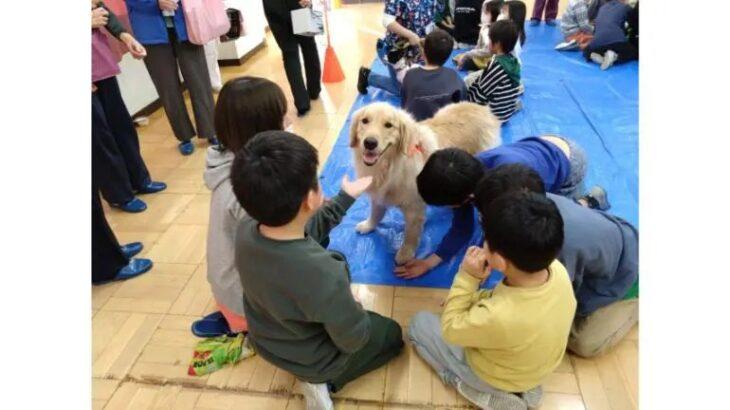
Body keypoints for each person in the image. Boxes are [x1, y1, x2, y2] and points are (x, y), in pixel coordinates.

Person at [231, 131, 404, 408]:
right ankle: (320, 383)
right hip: (315, 359)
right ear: (310, 200)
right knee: (392, 334)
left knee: (324, 250)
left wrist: (345, 197)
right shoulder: (323, 273)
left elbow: (307, 228)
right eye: (318, 182)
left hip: (267, 337)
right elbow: (354, 338)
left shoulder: (246, 230)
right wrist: (354, 306)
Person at [408, 191, 577, 409]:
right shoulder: (557, 271)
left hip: (492, 375)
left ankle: (472, 388)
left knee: (418, 324)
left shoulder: (498, 316)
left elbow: (451, 329)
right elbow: (504, 297)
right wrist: (475, 298)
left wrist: (467, 278)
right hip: (536, 368)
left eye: (486, 240)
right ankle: (527, 387)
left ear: (498, 260)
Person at [473, 164, 639, 358]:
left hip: (626, 273)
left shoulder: (557, 253)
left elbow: (551, 300)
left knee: (583, 343)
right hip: (606, 239)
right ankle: (589, 202)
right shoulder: (539, 206)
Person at [396, 136, 609, 279]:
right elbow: (463, 227)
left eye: (450, 204)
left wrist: (479, 268)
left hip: (569, 162)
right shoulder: (463, 175)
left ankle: (588, 202)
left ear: (466, 198)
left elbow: (492, 233)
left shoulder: (515, 191)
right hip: (542, 144)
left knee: (550, 217)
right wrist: (429, 262)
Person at [190, 77, 290, 337]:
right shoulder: (250, 189)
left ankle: (234, 318)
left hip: (226, 287)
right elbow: (284, 248)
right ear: (264, 128)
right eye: (281, 117)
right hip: (243, 302)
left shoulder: (225, 158)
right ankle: (243, 327)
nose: (288, 122)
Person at [92, 1, 166, 213]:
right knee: (99, 138)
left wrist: (125, 35)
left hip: (99, 63)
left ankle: (138, 179)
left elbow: (99, 9)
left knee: (121, 125)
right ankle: (119, 195)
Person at [126, 0, 218, 156]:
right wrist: (155, 3)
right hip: (150, 30)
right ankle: (184, 137)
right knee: (168, 89)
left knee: (200, 82)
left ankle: (211, 130)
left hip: (188, 26)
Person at [357, 0, 444, 96]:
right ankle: (367, 77)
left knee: (422, 81)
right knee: (401, 90)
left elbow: (436, 13)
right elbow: (387, 21)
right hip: (398, 51)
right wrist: (410, 35)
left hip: (421, 48)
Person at [262, 0, 321, 117]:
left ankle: (302, 103)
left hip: (273, 5)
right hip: (297, 3)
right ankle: (314, 90)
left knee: (289, 54)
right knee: (309, 46)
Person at [401, 30, 467, 121]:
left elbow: (404, 105)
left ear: (423, 53)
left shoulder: (410, 75)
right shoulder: (455, 77)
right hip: (443, 128)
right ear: (447, 56)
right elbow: (462, 109)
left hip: (415, 128)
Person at [466, 20, 522, 122]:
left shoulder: (496, 65)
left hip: (493, 118)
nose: (488, 44)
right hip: (507, 112)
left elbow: (480, 95)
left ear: (497, 44)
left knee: (467, 82)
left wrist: (466, 99)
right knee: (475, 79)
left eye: (490, 40)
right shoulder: (513, 61)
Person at [583, 0, 636, 70]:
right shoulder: (626, 7)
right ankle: (615, 57)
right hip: (616, 41)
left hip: (596, 43)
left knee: (587, 51)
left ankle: (600, 57)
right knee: (633, 51)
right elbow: (633, 22)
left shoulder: (602, 8)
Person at [454, 0, 503, 71]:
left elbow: (488, 51)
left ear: (495, 15)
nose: (482, 15)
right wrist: (471, 53)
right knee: (460, 57)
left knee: (466, 60)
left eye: (486, 13)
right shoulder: (484, 27)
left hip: (490, 58)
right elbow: (478, 45)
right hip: (480, 53)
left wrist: (469, 54)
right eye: (482, 12)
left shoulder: (491, 30)